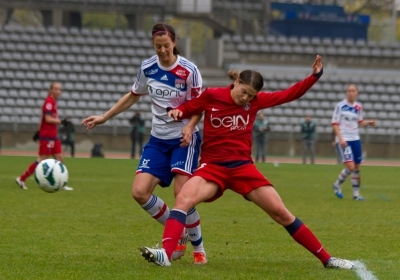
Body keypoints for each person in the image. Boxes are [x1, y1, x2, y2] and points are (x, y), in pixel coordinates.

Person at [139, 55, 354, 270]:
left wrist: (314, 77)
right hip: (213, 167)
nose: (246, 99)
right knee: (184, 198)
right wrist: (176, 112)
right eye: (244, 92)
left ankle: (327, 259)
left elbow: (289, 94)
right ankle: (165, 255)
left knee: (281, 213)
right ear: (237, 83)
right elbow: (188, 109)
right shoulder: (212, 95)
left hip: (243, 168)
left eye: (251, 96)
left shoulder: (255, 102)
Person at [82, 23, 207, 264]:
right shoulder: (147, 67)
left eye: (166, 46)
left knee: (183, 194)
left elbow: (199, 105)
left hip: (184, 139)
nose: (162, 51)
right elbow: (133, 95)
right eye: (158, 46)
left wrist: (190, 127)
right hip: (158, 139)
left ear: (175, 43)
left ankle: (199, 250)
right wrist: (104, 117)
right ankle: (178, 230)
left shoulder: (189, 71)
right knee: (139, 192)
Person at [15, 82, 73, 191]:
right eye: (55, 89)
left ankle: (61, 182)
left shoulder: (53, 102)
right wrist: (61, 121)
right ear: (51, 90)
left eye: (59, 89)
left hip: (53, 136)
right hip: (47, 136)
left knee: (60, 157)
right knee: (42, 158)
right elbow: (48, 119)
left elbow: (43, 119)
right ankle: (21, 179)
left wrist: (38, 130)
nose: (58, 91)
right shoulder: (49, 102)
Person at [331, 84, 376, 201]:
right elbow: (335, 123)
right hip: (344, 139)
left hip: (355, 138)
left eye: (353, 91)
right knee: (350, 166)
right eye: (349, 91)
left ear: (357, 93)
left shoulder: (358, 107)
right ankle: (337, 184)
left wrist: (369, 122)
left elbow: (359, 122)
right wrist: (340, 138)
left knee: (357, 167)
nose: (351, 93)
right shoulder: (340, 106)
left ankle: (356, 195)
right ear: (346, 93)